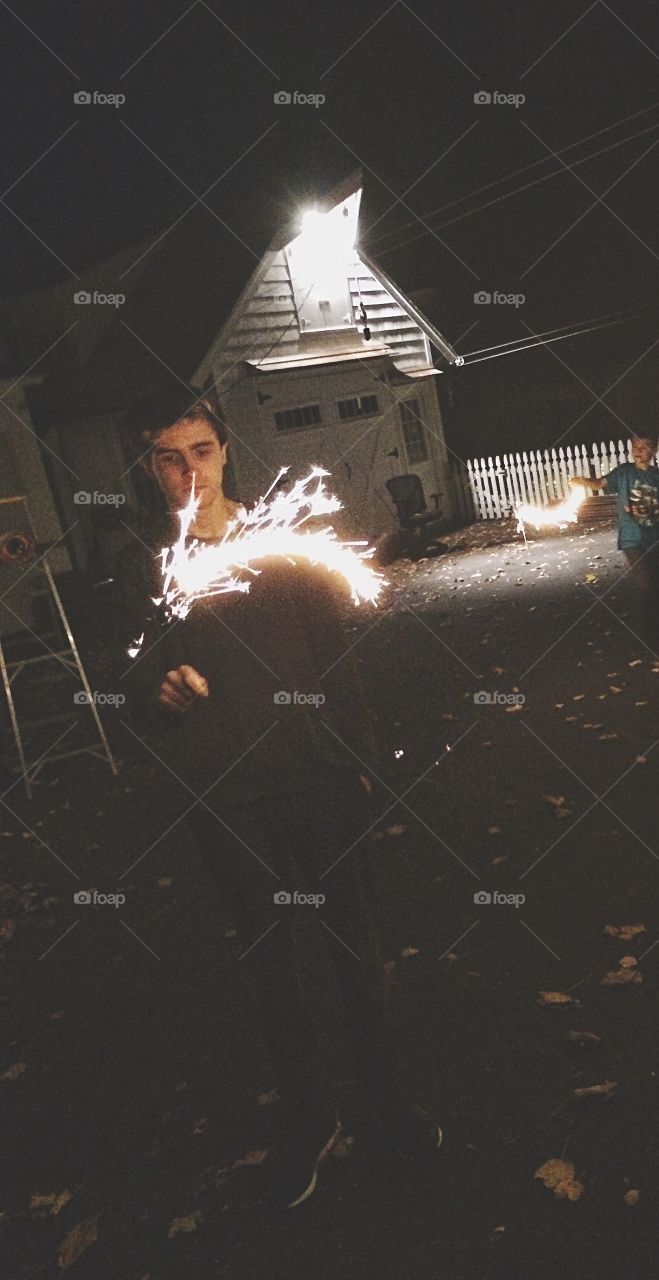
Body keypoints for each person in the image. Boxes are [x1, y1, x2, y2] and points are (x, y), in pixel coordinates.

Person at [112, 388, 442, 1213]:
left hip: (317, 779)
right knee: (272, 967)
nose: (188, 471)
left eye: (201, 450)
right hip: (227, 796)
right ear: (149, 466)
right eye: (167, 457)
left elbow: (336, 657)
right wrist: (160, 691)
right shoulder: (141, 562)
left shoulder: (284, 539)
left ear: (225, 450)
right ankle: (310, 1122)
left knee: (354, 952)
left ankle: (385, 1105)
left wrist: (359, 759)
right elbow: (127, 683)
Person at [570, 430, 659, 648]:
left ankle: (656, 632)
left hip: (653, 537)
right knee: (646, 585)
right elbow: (599, 484)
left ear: (654, 450)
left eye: (643, 447)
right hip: (631, 539)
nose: (638, 451)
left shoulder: (658, 477)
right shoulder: (624, 473)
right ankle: (649, 638)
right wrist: (581, 481)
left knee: (655, 587)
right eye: (635, 447)